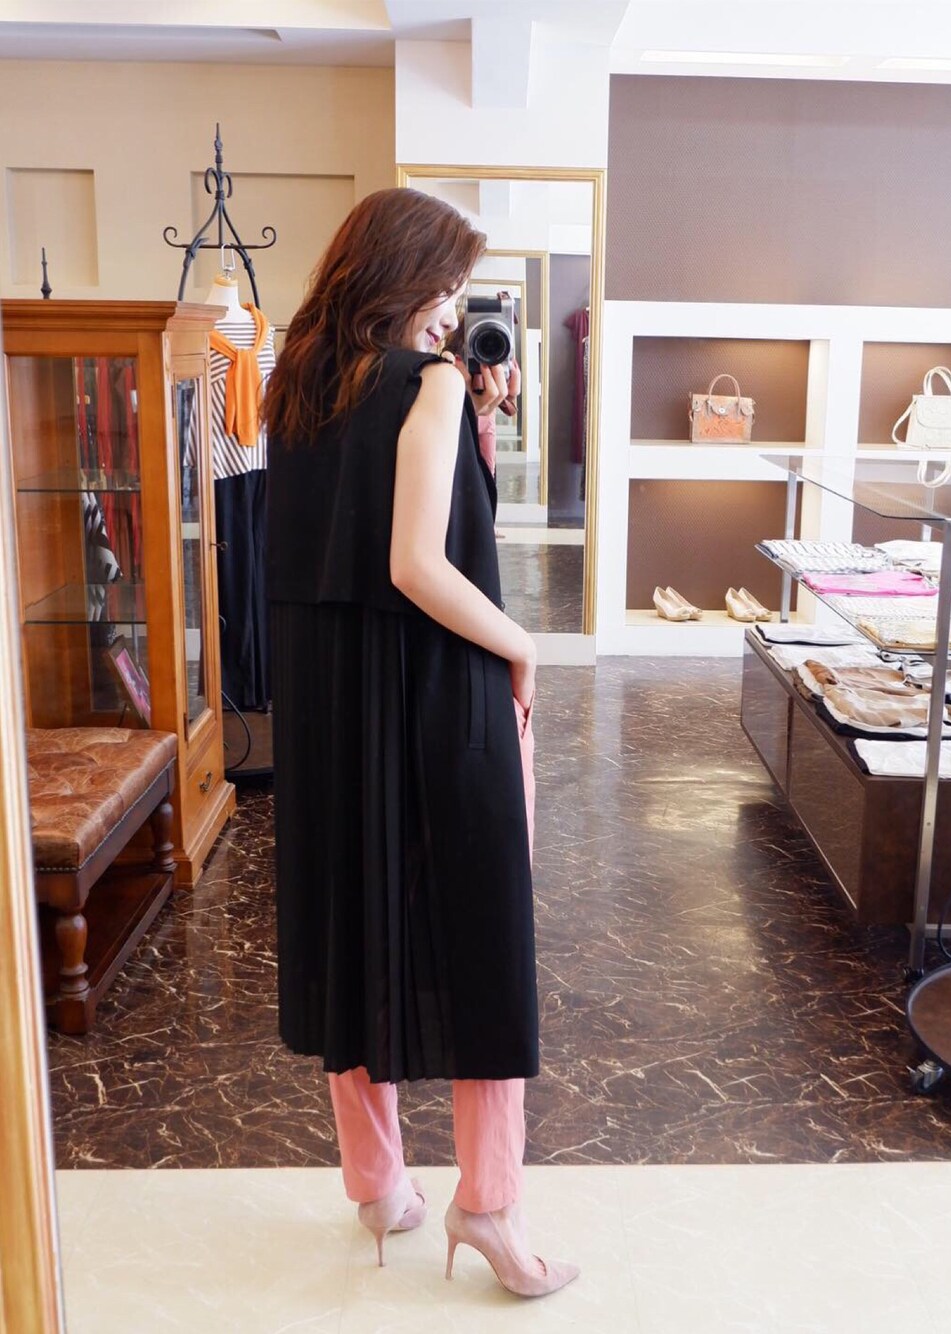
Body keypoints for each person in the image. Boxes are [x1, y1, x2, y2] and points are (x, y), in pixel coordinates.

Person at [263, 187, 578, 1299]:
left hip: (326, 702)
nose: (453, 309)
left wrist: (477, 419)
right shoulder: (429, 381)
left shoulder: (294, 384)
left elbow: (341, 542)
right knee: (485, 928)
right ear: (406, 277)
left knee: (353, 920)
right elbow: (415, 562)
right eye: (448, 284)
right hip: (437, 685)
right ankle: (488, 1202)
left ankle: (378, 1185)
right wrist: (523, 644)